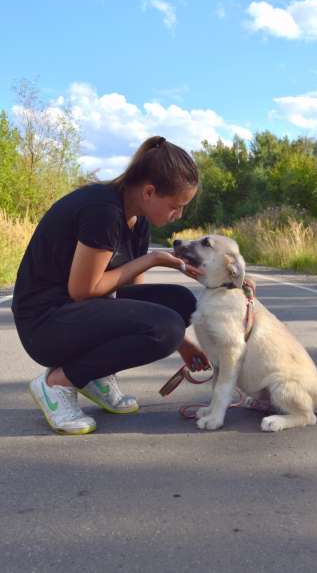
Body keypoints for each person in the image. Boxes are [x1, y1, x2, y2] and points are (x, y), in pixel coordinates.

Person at [12, 135, 210, 435]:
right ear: (149, 191)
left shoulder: (138, 217)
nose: (178, 215)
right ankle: (57, 383)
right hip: (44, 323)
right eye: (175, 206)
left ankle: (95, 374)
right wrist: (154, 259)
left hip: (74, 313)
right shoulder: (102, 211)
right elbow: (83, 290)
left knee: (181, 303)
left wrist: (180, 341)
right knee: (165, 327)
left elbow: (132, 297)